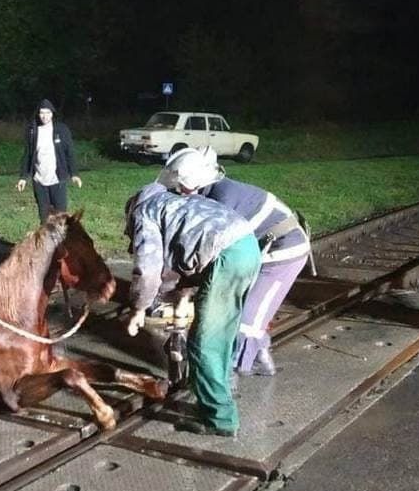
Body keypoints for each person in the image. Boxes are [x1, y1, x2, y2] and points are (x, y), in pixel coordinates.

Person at [158, 147, 310, 376]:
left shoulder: (223, 200)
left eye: (181, 187)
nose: (178, 192)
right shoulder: (210, 192)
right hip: (259, 251)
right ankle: (260, 359)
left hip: (283, 252)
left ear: (195, 183)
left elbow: (209, 250)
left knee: (245, 321)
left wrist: (181, 285)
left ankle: (227, 377)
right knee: (243, 310)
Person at [124, 183, 260, 437]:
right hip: (248, 246)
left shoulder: (145, 213)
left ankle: (219, 420)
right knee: (222, 332)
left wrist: (138, 308)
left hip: (227, 256)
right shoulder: (174, 202)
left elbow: (148, 268)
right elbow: (188, 249)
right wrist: (181, 295)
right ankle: (220, 388)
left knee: (204, 342)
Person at [16, 99, 82, 221]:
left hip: (57, 179)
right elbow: (28, 155)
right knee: (44, 216)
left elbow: (70, 153)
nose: (44, 116)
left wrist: (74, 174)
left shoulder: (61, 129)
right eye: (41, 113)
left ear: (52, 114)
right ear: (38, 114)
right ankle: (46, 239)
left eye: (47, 112)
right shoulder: (33, 130)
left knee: (61, 216)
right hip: (39, 180)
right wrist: (23, 177)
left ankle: (61, 240)